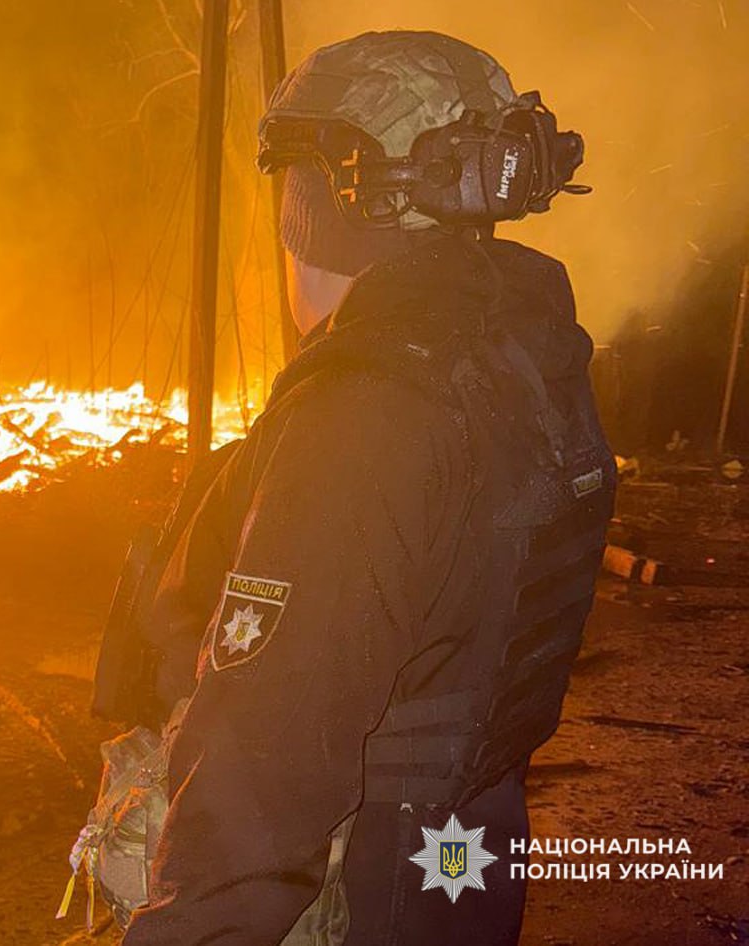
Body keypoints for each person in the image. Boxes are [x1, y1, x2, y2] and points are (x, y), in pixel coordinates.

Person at [93, 30, 615, 946]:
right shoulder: (519, 345)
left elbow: (269, 763)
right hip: (461, 846)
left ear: (329, 199)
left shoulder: (371, 413)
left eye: (292, 184)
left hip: (356, 877)